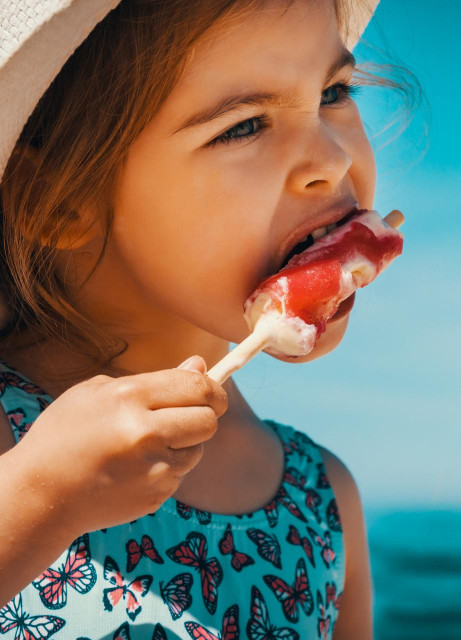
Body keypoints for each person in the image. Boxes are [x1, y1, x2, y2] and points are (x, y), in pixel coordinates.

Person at [0, 0, 387, 637]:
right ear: (58, 202)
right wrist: (36, 502)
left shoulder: (325, 500)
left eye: (335, 91)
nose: (332, 159)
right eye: (244, 126)